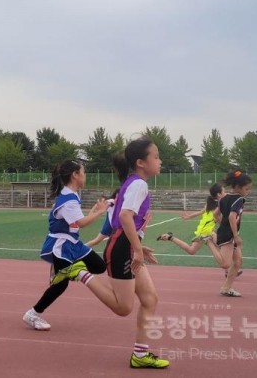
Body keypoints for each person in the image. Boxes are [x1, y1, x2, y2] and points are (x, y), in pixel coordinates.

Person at [50, 137, 169, 369]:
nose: (160, 161)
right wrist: (135, 249)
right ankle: (79, 272)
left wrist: (138, 246)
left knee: (150, 299)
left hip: (125, 245)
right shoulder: (139, 184)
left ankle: (140, 355)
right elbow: (124, 217)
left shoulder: (134, 183)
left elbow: (122, 220)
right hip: (122, 249)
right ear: (141, 162)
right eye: (156, 156)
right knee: (123, 308)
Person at [22, 159, 109, 331]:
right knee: (61, 285)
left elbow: (76, 222)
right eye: (83, 173)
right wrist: (99, 212)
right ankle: (33, 313)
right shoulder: (68, 199)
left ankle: (65, 271)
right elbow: (81, 223)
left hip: (74, 244)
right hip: (61, 246)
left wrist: (93, 211)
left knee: (99, 266)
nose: (85, 176)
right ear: (75, 175)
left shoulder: (71, 195)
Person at [157, 183, 225, 257]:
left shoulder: (209, 206)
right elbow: (221, 221)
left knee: (191, 250)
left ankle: (170, 237)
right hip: (207, 232)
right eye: (224, 191)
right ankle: (230, 267)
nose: (225, 193)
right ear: (219, 194)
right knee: (223, 250)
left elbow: (200, 212)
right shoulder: (218, 207)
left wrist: (189, 217)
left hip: (203, 231)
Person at [215, 170, 252, 297]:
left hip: (226, 232)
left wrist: (223, 225)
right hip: (229, 236)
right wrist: (236, 236)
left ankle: (226, 287)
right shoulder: (239, 199)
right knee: (225, 263)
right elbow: (232, 216)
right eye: (246, 189)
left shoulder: (224, 198)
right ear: (238, 187)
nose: (248, 192)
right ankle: (208, 241)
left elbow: (216, 215)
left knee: (237, 262)